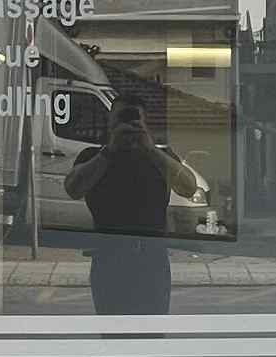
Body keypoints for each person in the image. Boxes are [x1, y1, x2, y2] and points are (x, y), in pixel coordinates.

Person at [63, 98, 199, 315]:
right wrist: (110, 150)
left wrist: (150, 149)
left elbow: (189, 187)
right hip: (110, 260)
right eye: (121, 118)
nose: (127, 125)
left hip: (151, 260)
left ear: (146, 124)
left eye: (134, 119)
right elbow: (73, 189)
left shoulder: (160, 157)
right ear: (110, 122)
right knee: (112, 328)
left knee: (152, 328)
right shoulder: (93, 156)